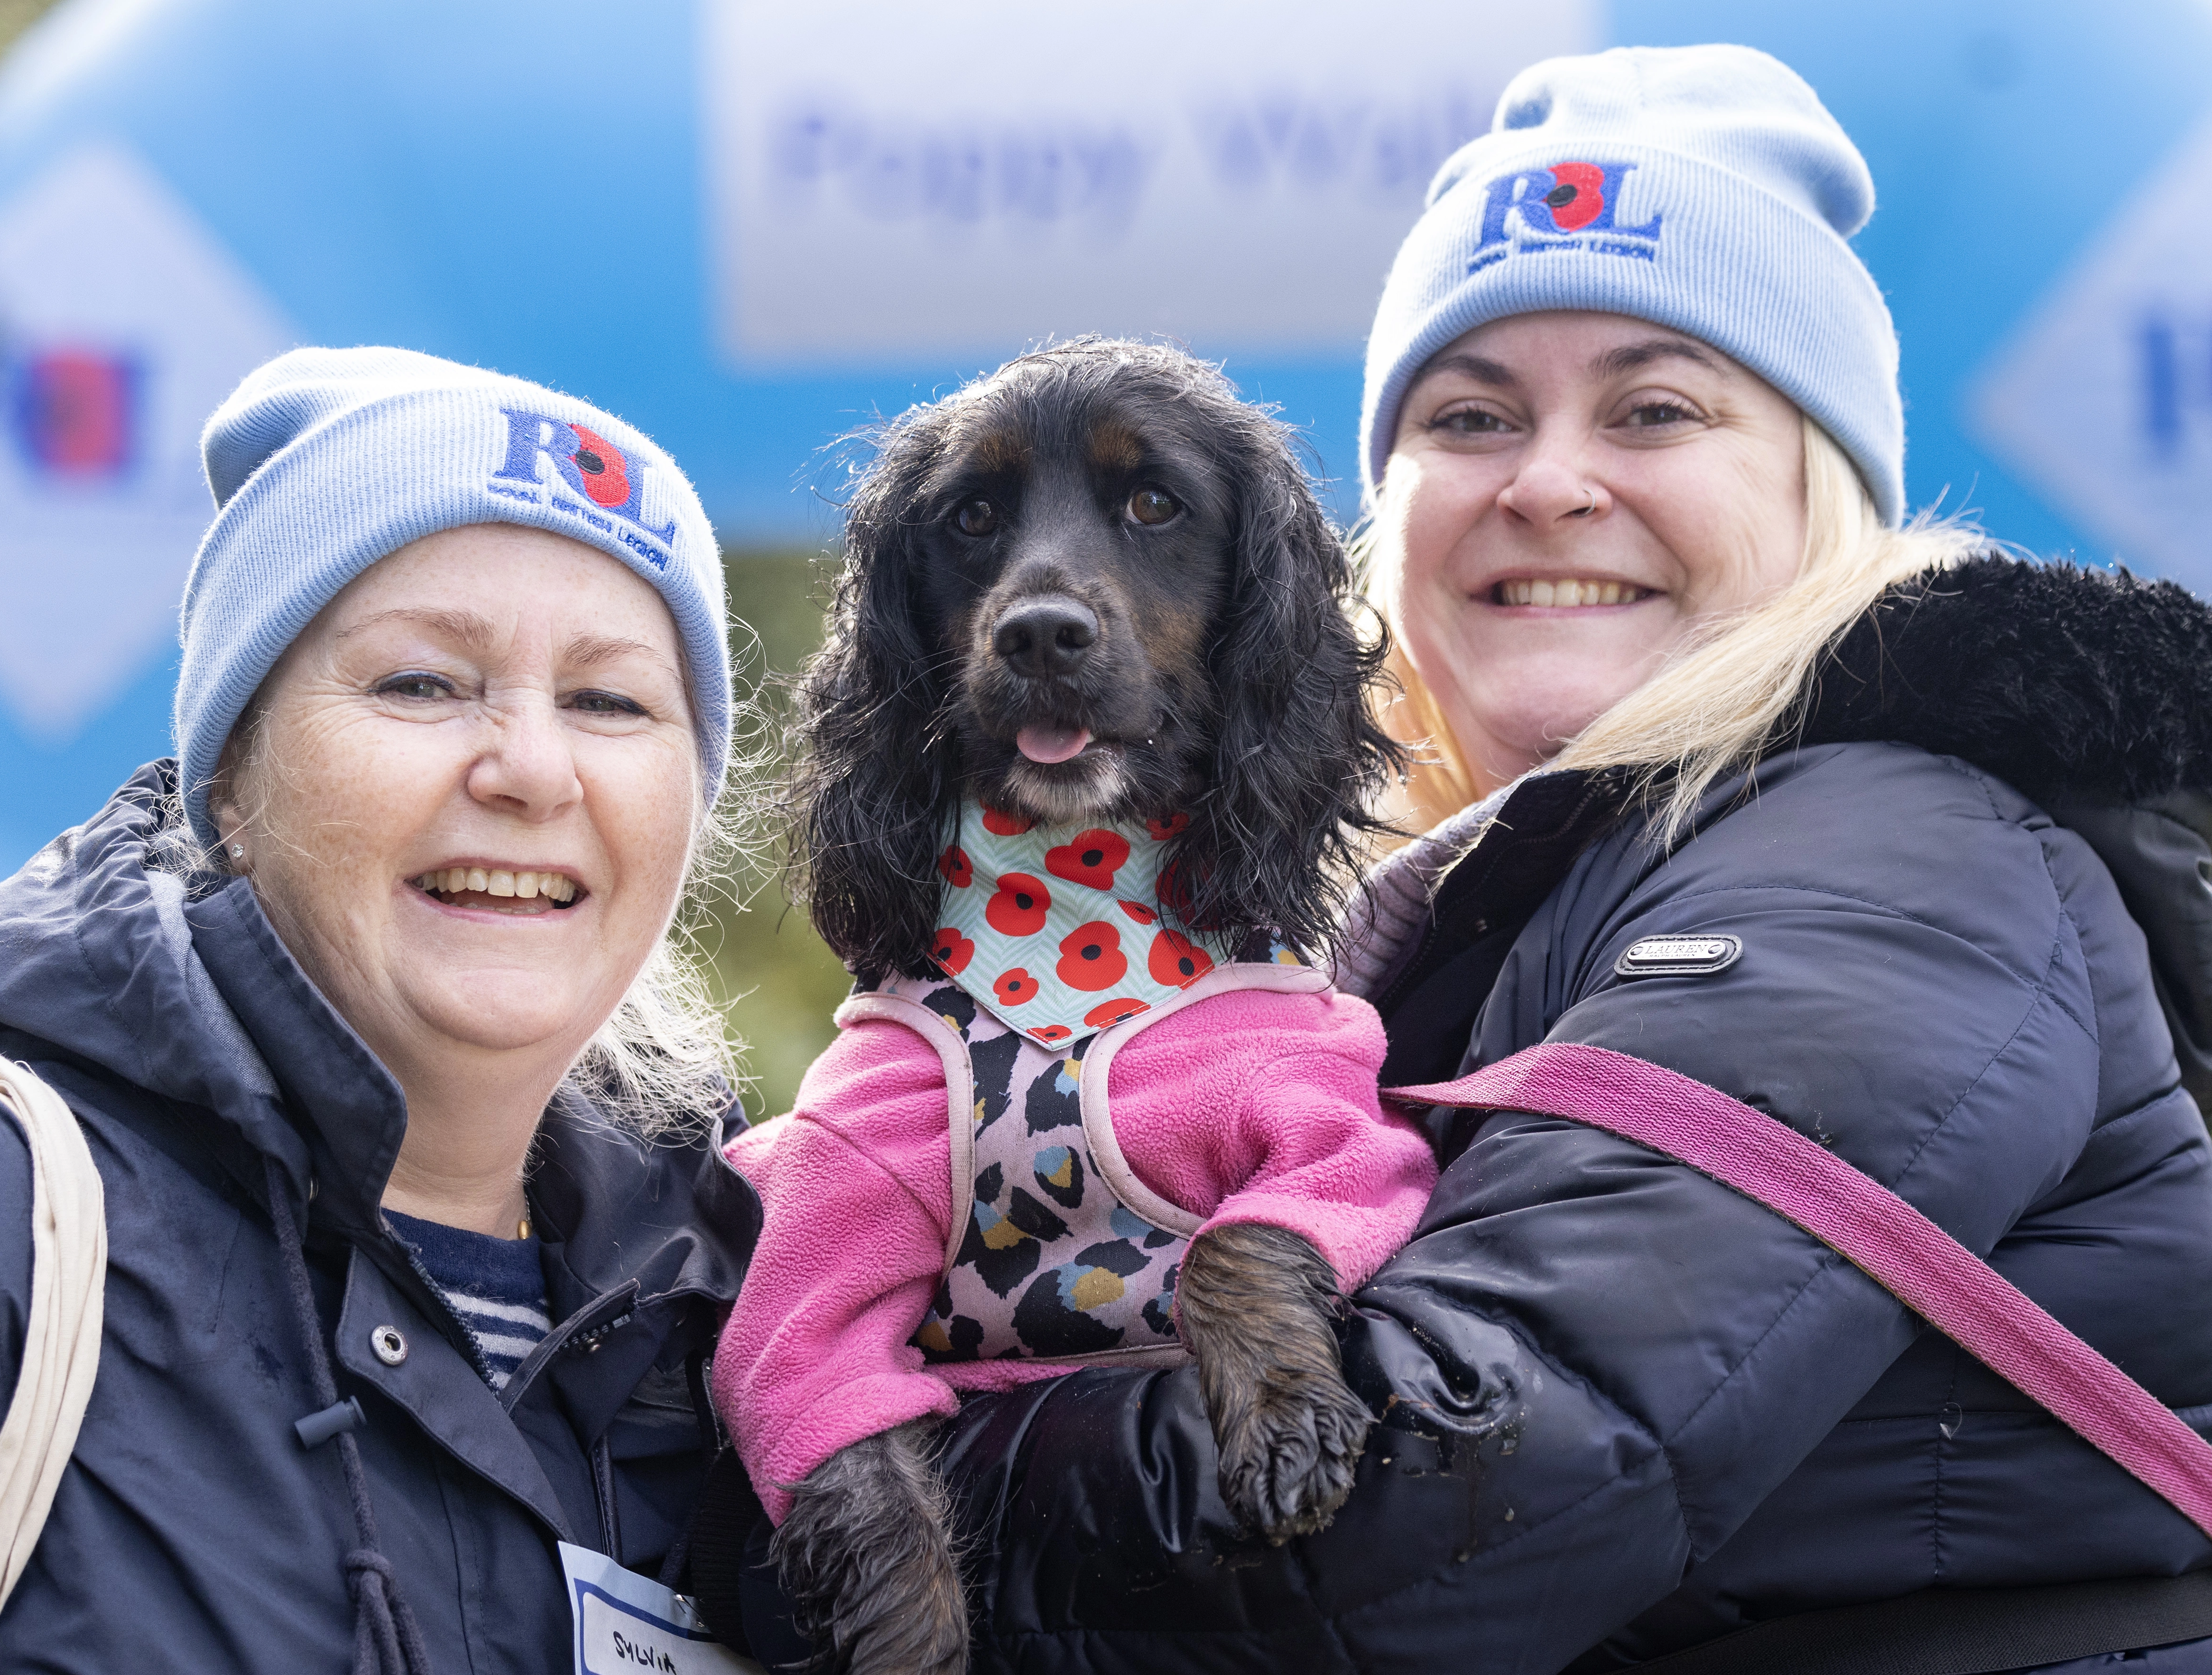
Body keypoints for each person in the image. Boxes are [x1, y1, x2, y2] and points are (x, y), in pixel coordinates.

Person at [880, 44, 2212, 1674]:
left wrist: (845, 1484)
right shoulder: (1458, 917)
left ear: (1824, 482)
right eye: (1471, 415)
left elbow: (1450, 1494)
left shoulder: (1890, 860)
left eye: (1654, 408)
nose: (1549, 481)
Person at [0, 347, 762, 1674]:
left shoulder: (757, 1346)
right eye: (422, 683)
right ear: (233, 785)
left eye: (610, 701)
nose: (534, 766)